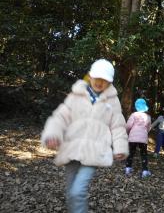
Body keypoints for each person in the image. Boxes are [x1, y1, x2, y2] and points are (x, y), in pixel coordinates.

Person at [41, 59, 129, 213]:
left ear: (110, 82)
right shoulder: (76, 95)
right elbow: (60, 117)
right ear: (90, 76)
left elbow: (118, 126)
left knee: (78, 191)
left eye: (105, 80)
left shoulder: (112, 101)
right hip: (72, 148)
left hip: (94, 151)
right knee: (70, 193)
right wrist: (52, 134)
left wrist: (120, 147)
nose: (100, 83)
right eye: (97, 78)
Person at [125, 98, 152, 178]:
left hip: (133, 137)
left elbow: (128, 125)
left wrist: (128, 132)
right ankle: (145, 171)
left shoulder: (133, 115)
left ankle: (128, 168)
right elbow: (148, 127)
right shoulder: (148, 116)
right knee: (144, 154)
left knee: (131, 153)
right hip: (143, 138)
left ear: (136, 106)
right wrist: (145, 132)